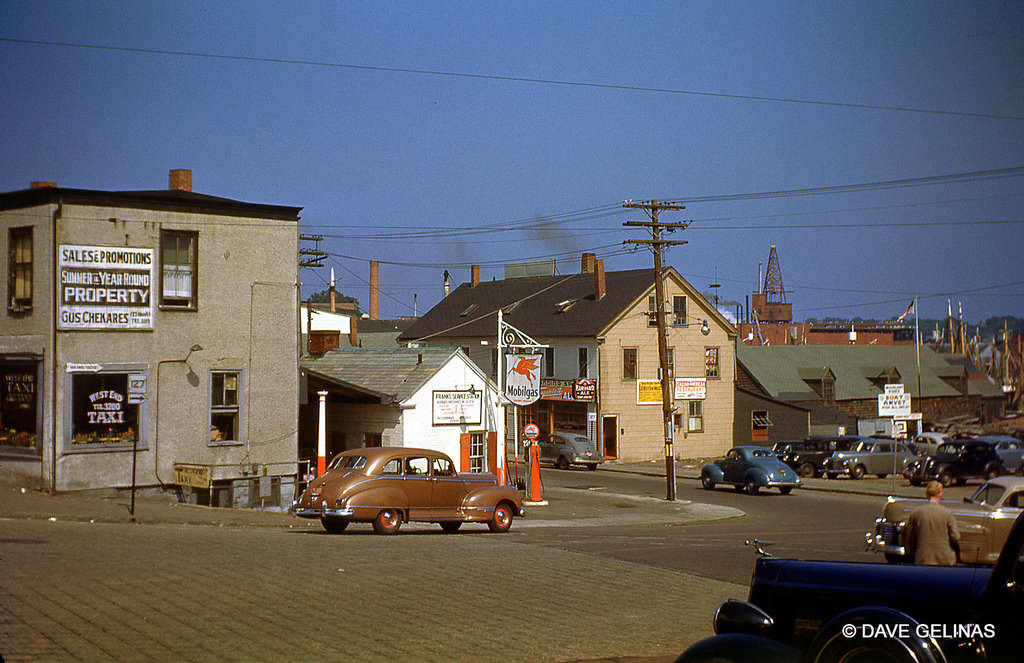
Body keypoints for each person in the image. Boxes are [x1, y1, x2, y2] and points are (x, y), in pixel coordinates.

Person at [905, 480, 960, 565]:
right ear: (940, 494)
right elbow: (955, 536)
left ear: (926, 494)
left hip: (923, 558)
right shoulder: (947, 513)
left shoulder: (916, 512)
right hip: (945, 559)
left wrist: (912, 552)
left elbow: (910, 538)